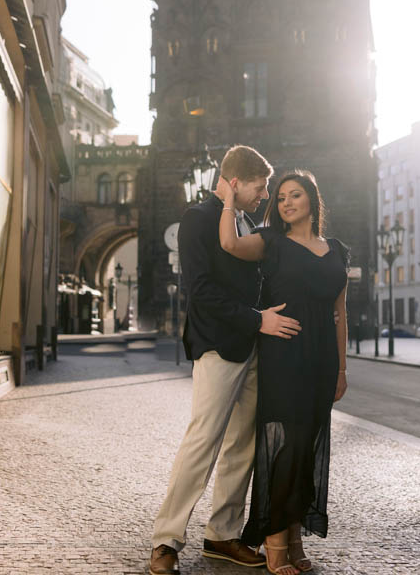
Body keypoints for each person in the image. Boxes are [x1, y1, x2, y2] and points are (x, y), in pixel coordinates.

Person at [149, 145, 302, 575]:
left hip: (253, 347)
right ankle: (166, 540)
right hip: (218, 345)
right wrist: (258, 320)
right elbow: (202, 292)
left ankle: (223, 533)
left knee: (243, 446)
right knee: (203, 442)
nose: (265, 193)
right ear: (236, 182)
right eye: (260, 185)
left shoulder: (249, 222)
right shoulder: (197, 219)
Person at [218, 170, 349, 575]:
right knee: (285, 446)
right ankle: (274, 540)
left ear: (312, 198)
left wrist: (342, 368)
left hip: (322, 357)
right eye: (280, 197)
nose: (286, 202)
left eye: (295, 195)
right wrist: (227, 199)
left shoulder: (337, 249)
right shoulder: (270, 241)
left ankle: (293, 540)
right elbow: (228, 244)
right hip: (283, 352)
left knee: (307, 447)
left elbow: (340, 312)